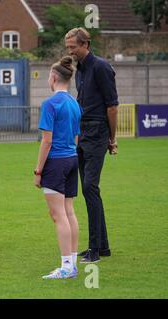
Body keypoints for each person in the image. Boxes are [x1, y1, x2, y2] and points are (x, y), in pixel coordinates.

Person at [65, 28, 118, 263]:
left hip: (98, 132)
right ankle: (102, 246)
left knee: (89, 187)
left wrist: (112, 139)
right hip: (82, 132)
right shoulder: (79, 70)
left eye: (73, 47)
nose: (70, 51)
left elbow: (112, 106)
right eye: (68, 47)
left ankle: (94, 249)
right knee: (88, 189)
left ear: (85, 44)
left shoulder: (101, 67)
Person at [34, 56, 82, 279]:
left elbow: (47, 141)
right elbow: (76, 136)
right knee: (69, 211)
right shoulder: (74, 103)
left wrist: (38, 171)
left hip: (56, 162)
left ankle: (65, 267)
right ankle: (72, 263)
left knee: (58, 215)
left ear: (53, 77)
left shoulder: (50, 104)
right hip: (72, 159)